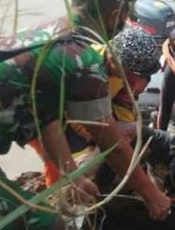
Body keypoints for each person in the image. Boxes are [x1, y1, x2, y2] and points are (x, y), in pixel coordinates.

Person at [0, 0, 170, 230]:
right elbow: (109, 141)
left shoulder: (48, 31)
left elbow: (44, 114)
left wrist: (71, 174)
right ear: (115, 13)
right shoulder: (82, 59)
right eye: (126, 17)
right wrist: (152, 195)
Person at [28, 26, 163, 187]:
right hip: (48, 113)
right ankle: (60, 198)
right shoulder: (87, 72)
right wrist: (100, 141)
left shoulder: (123, 74)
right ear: (118, 62)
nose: (135, 81)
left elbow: (124, 108)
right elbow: (75, 118)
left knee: (123, 140)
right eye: (134, 75)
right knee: (69, 166)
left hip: (87, 113)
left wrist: (130, 139)